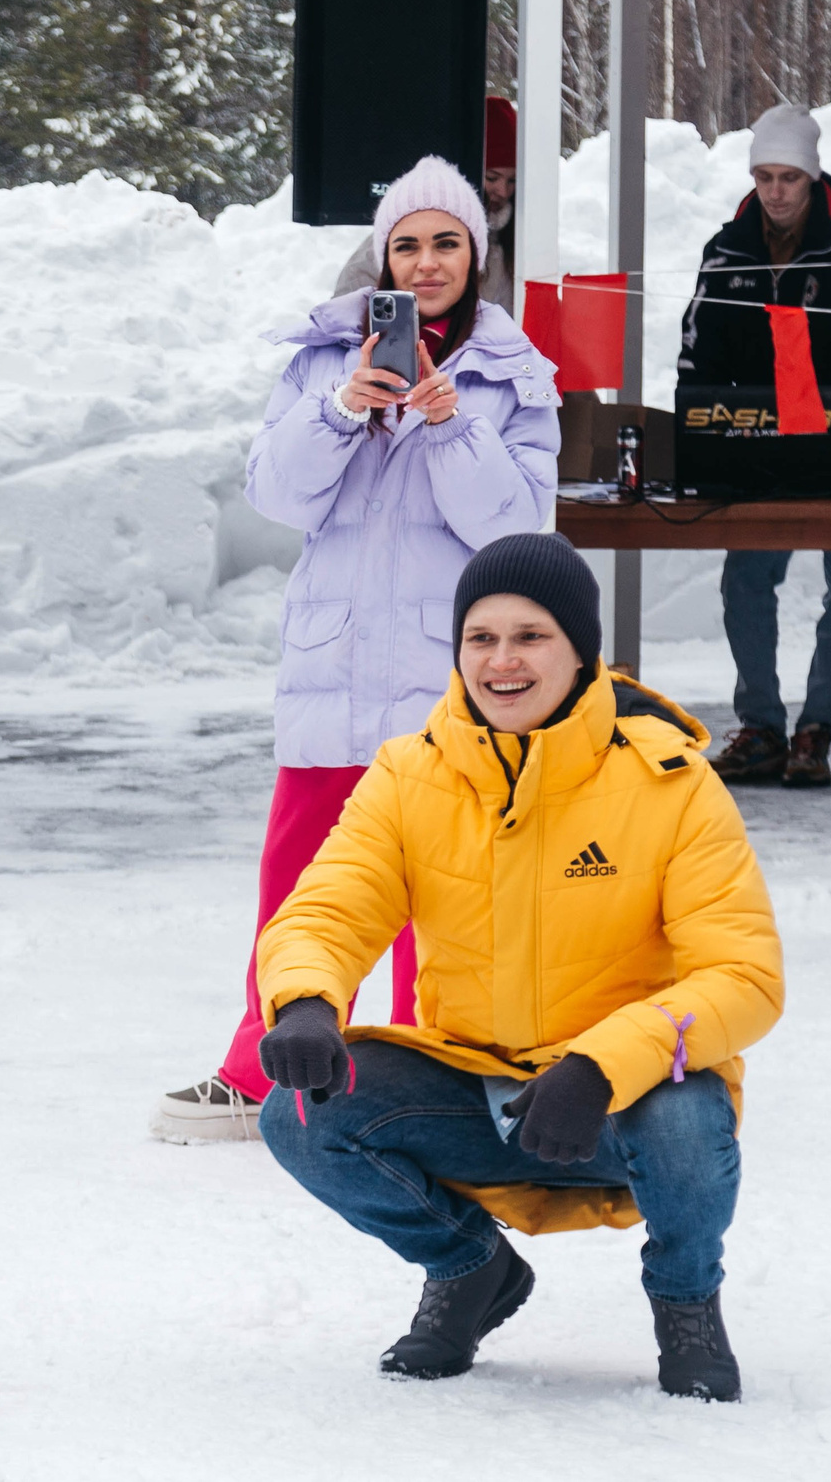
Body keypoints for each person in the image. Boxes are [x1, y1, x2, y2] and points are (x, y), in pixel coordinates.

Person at [253, 533, 782, 1400]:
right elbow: (331, 905)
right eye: (481, 637)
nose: (503, 660)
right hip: (476, 1086)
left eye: (531, 635)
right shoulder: (407, 773)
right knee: (300, 1115)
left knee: (689, 1126)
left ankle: (687, 1301)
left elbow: (744, 974)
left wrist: (604, 1064)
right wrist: (306, 997)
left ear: (580, 651)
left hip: (623, 1099)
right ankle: (470, 1269)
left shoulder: (673, 782)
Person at [151, 155, 561, 1143]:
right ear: (380, 256)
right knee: (297, 883)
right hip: (330, 670)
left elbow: (519, 525)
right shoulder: (318, 359)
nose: (424, 264)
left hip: (444, 681)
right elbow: (275, 497)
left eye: (445, 243)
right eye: (406, 244)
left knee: (447, 894)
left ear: (477, 255)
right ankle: (261, 1074)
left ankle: (436, 1079)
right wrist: (342, 408)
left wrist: (449, 422)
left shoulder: (512, 374)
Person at [679, 102, 831, 789]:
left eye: (789, 178)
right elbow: (696, 360)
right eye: (764, 176)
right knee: (746, 578)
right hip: (761, 452)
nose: (775, 192)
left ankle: (818, 727)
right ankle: (762, 728)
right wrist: (710, 436)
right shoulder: (726, 251)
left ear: (812, 177)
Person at [331, 97, 517, 310]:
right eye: (492, 178)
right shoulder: (396, 235)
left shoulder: (515, 247)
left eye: (512, 181)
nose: (502, 191)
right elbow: (342, 316)